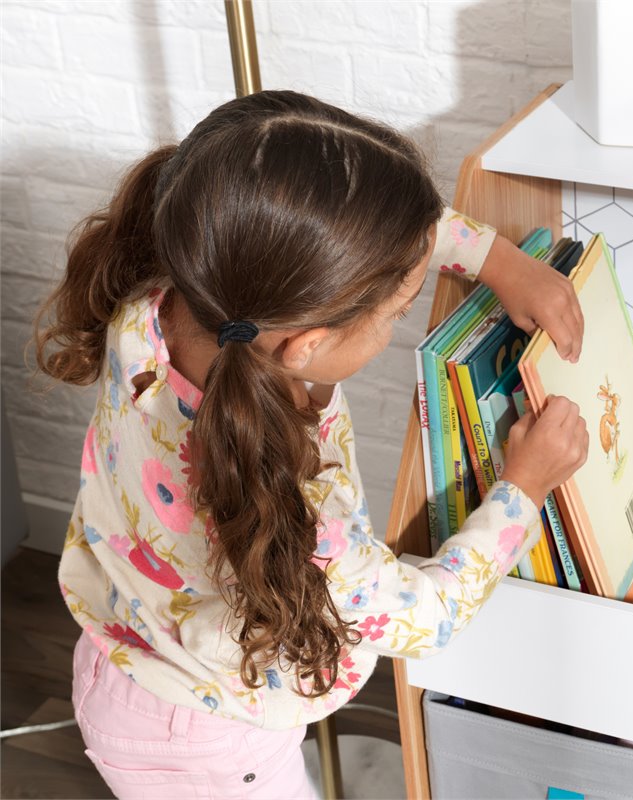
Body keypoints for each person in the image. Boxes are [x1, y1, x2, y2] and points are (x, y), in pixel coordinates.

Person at [35, 90, 588, 799]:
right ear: (307, 345)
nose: (397, 320)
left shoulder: (160, 303)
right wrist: (526, 485)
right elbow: (429, 615)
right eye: (395, 311)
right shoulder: (300, 519)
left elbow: (378, 238)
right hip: (210, 743)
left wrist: (501, 261)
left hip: (129, 651)